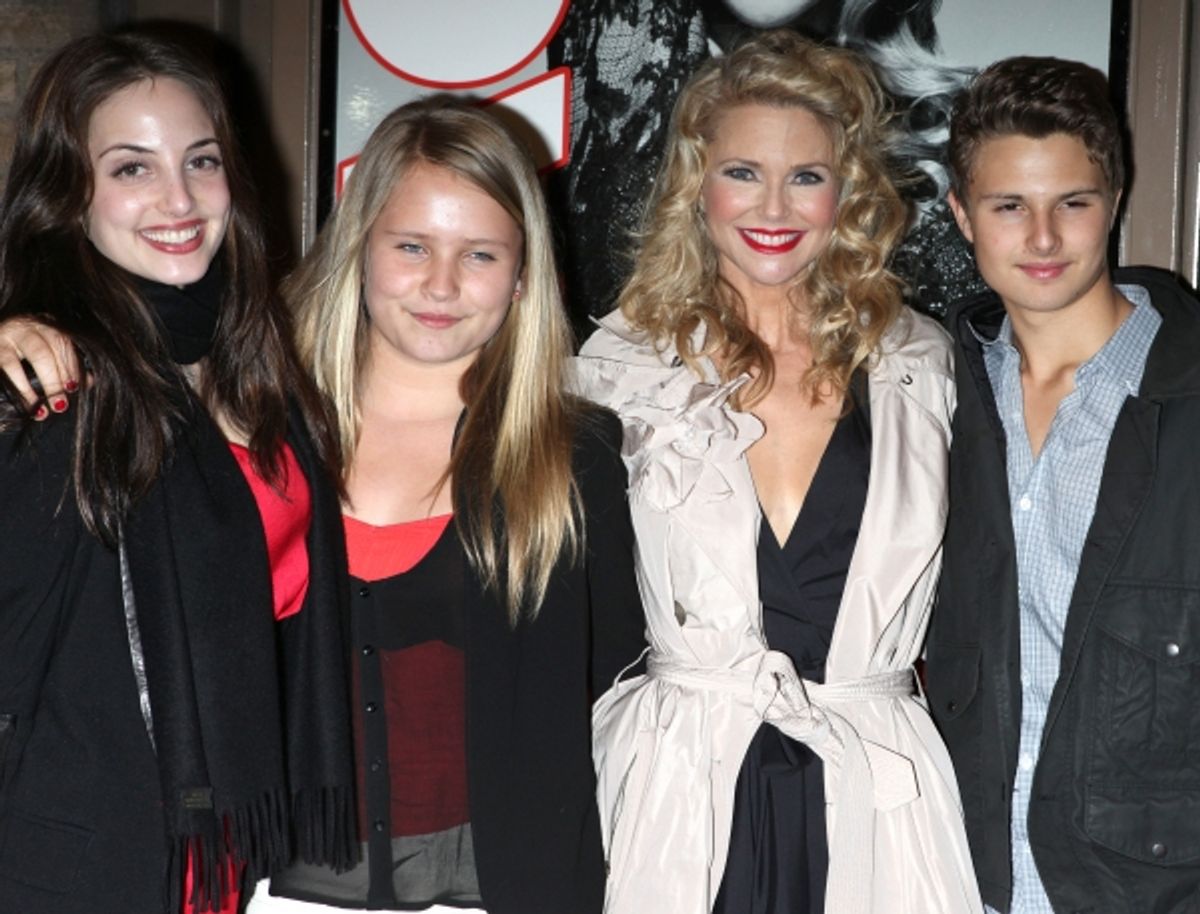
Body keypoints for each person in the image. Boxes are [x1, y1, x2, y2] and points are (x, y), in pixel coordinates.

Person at [573, 29, 981, 914]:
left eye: (806, 176)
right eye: (742, 171)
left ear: (847, 193)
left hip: (878, 792)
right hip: (682, 793)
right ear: (697, 184)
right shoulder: (617, 370)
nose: (774, 205)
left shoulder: (927, 367)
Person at [0, 31, 355, 914]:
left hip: (218, 854)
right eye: (131, 168)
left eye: (201, 160)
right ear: (66, 194)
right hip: (72, 862)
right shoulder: (46, 381)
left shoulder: (259, 370)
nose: (180, 199)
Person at [928, 56, 1200, 913]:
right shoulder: (927, 394)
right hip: (957, 876)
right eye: (1009, 206)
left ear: (1114, 201)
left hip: (1143, 891)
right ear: (961, 215)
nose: (1043, 239)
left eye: (1072, 203)